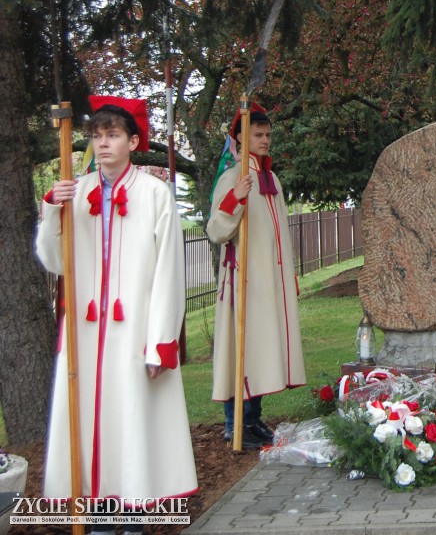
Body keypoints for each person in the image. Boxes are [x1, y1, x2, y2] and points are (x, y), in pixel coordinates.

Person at [35, 97, 198, 531]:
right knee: (91, 421)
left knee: (129, 418)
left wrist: (161, 339)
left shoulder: (154, 194)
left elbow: (168, 271)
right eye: (97, 135)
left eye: (112, 135)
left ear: (132, 141)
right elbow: (55, 262)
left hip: (133, 330)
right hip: (85, 333)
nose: (103, 143)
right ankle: (99, 511)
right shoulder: (78, 190)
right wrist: (53, 209)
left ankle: (131, 514)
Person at [208, 103, 306, 449]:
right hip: (244, 282)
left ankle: (253, 419)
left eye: (268, 135)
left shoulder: (272, 179)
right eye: (258, 135)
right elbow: (216, 230)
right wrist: (235, 198)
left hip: (269, 282)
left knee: (263, 349)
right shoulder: (232, 177)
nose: (265, 141)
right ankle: (235, 423)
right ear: (240, 137)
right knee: (242, 350)